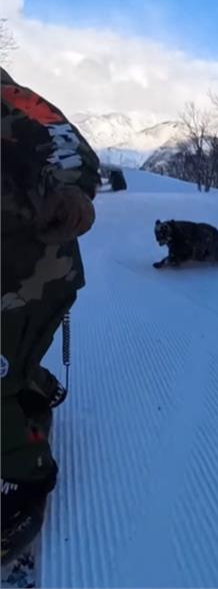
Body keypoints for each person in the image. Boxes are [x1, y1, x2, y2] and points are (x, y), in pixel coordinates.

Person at [1, 67, 100, 562]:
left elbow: (58, 139)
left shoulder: (7, 98)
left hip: (25, 279)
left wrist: (66, 191)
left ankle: (19, 488)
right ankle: (25, 391)